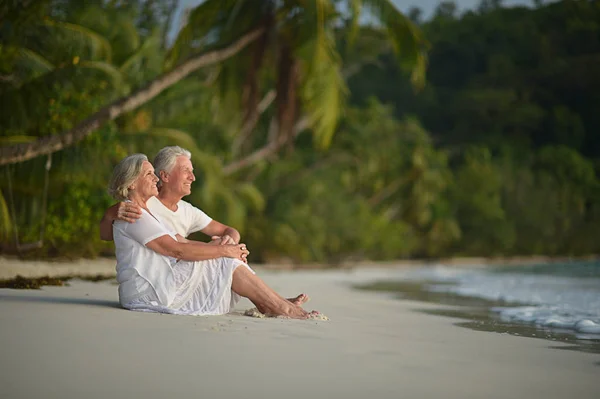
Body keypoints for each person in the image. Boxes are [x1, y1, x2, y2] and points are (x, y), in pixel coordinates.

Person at [106, 153, 318, 318]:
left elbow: (180, 241)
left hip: (156, 283)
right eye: (148, 174)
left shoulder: (148, 211)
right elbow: (174, 249)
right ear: (132, 183)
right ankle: (279, 307)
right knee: (226, 260)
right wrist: (225, 250)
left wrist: (226, 247)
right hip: (146, 293)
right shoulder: (133, 213)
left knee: (226, 257)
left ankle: (271, 302)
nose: (155, 178)